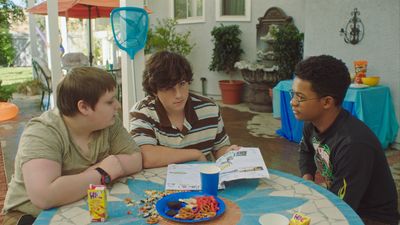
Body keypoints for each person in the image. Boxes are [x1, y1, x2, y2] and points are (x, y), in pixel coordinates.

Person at [2, 67, 142, 225]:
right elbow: (44, 197)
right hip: (30, 215)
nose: (118, 105)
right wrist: (102, 172)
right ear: (84, 107)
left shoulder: (108, 122)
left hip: (79, 205)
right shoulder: (42, 132)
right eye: (110, 101)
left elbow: (135, 159)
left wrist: (73, 183)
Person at [293, 55, 399, 225]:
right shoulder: (312, 124)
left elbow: (340, 208)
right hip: (342, 199)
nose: (293, 102)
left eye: (300, 97)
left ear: (327, 101)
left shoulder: (354, 145)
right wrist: (308, 179)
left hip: (369, 218)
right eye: (293, 94)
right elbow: (306, 151)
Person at [129, 51, 239, 168]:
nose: (178, 95)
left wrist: (229, 152)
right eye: (169, 87)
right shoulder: (142, 112)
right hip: (158, 185)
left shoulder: (210, 108)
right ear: (154, 90)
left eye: (182, 84)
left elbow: (219, 148)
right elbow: (145, 156)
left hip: (203, 182)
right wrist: (195, 154)